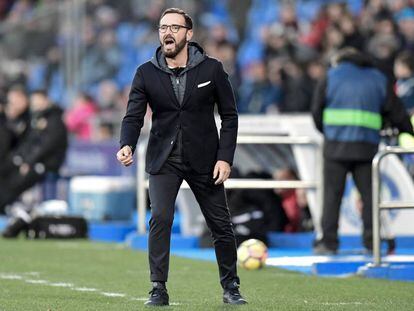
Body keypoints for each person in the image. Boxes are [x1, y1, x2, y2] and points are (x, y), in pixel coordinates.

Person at [116, 8, 246, 306]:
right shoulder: (145, 72)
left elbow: (230, 116)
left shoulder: (212, 69)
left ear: (189, 34)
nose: (168, 33)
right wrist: (127, 144)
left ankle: (231, 286)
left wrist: (225, 158)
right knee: (160, 218)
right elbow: (133, 116)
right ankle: (158, 287)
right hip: (164, 159)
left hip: (205, 160)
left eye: (175, 27)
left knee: (220, 225)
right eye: (163, 27)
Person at [311, 47, 414, 255]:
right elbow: (396, 111)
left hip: (335, 147)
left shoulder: (331, 76)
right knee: (369, 197)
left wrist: (329, 133)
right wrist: (407, 130)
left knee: (332, 197)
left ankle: (328, 243)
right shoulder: (377, 78)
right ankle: (371, 243)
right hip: (366, 148)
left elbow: (316, 111)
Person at [0, 90, 68, 230]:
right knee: (6, 169)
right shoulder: (36, 119)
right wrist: (20, 159)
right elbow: (28, 144)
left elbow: (46, 147)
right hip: (32, 161)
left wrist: (28, 162)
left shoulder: (54, 121)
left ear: (46, 100)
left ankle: (5, 206)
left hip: (46, 164)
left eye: (38, 100)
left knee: (16, 181)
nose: (35, 104)